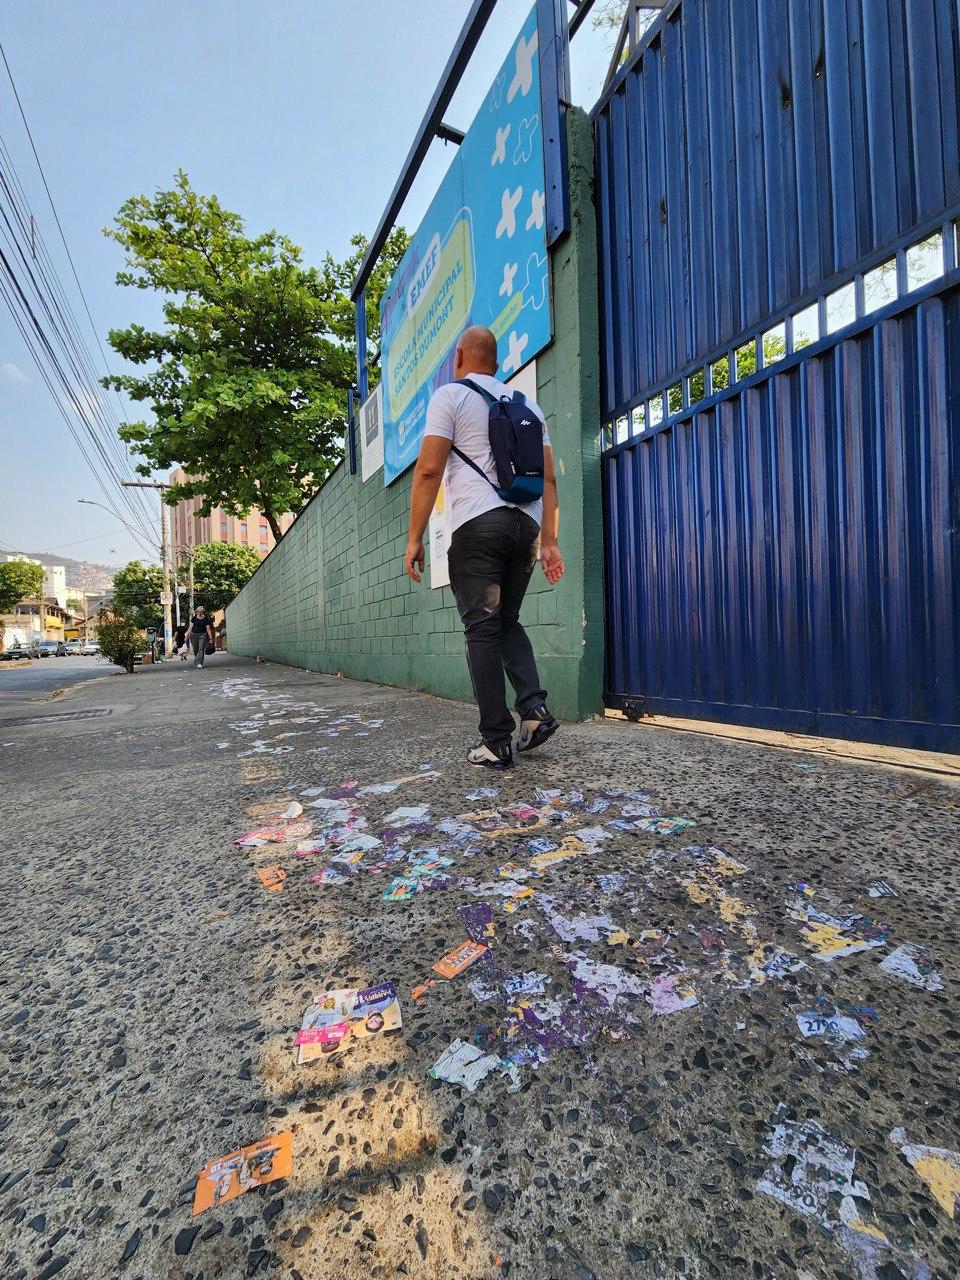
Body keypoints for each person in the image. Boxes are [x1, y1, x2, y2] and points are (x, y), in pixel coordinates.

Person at [404, 325, 564, 769]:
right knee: (506, 619)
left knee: (482, 628)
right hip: (524, 525)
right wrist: (548, 541)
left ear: (459, 358)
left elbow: (429, 471)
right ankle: (532, 712)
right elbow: (548, 479)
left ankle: (496, 740)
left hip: (479, 525)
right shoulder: (528, 405)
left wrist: (415, 537)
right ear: (496, 363)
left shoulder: (450, 397)